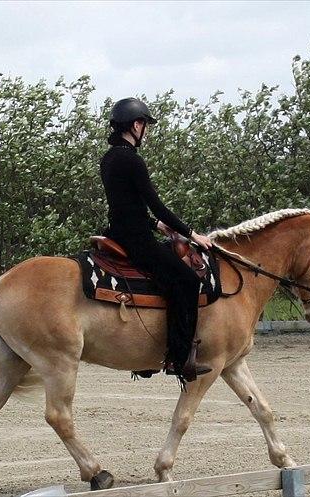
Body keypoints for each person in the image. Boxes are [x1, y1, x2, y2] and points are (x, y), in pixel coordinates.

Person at [99, 97, 213, 383]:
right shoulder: (132, 160)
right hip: (137, 241)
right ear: (136, 125)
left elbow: (124, 206)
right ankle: (178, 356)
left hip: (119, 233)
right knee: (188, 281)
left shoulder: (109, 158)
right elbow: (155, 204)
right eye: (145, 126)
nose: (146, 132)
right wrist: (192, 234)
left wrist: (156, 224)